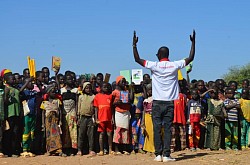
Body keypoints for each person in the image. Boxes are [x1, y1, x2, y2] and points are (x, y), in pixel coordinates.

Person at [132, 30, 195, 162]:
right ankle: (166, 155)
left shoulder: (154, 66)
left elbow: (137, 59)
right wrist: (193, 43)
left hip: (157, 103)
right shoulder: (174, 65)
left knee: (156, 129)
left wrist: (134, 45)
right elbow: (190, 58)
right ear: (168, 54)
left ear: (159, 55)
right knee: (167, 129)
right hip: (169, 103)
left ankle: (158, 154)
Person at [40, 84, 63, 156]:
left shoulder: (57, 101)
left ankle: (59, 150)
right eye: (52, 92)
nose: (54, 93)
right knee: (48, 136)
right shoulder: (44, 103)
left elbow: (60, 111)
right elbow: (43, 114)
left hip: (55, 121)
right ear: (48, 93)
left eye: (55, 92)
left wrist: (60, 120)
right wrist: (43, 124)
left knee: (57, 135)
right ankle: (49, 150)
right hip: (48, 122)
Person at [112, 76, 133, 155]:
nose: (124, 83)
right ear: (118, 83)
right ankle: (117, 149)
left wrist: (131, 88)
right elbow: (111, 104)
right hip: (118, 113)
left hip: (126, 112)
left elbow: (131, 100)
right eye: (122, 82)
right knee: (118, 130)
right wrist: (117, 103)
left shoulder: (126, 91)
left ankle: (124, 148)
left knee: (125, 131)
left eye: (125, 82)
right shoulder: (114, 92)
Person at [94, 82, 114, 156]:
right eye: (104, 87)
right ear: (100, 88)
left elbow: (111, 108)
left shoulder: (110, 96)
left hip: (108, 118)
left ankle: (110, 149)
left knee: (109, 134)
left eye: (107, 87)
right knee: (101, 134)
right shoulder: (97, 96)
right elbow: (96, 108)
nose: (106, 88)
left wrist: (112, 118)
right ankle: (101, 150)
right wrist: (96, 118)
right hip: (101, 118)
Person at [60, 73, 78, 156]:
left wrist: (77, 113)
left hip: (72, 113)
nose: (71, 80)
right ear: (65, 80)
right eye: (69, 79)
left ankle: (72, 149)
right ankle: (65, 149)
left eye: (72, 79)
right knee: (65, 132)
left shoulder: (75, 90)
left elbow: (77, 102)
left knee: (73, 131)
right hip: (64, 113)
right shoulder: (61, 90)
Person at [77, 82, 95, 156]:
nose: (88, 89)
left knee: (91, 135)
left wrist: (94, 118)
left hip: (90, 118)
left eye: (89, 88)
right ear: (84, 89)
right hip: (82, 117)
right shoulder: (81, 97)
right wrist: (78, 118)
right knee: (81, 134)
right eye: (86, 88)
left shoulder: (93, 97)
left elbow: (94, 108)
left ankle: (91, 149)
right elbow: (79, 107)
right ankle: (79, 150)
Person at [141, 83, 154, 153]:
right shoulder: (146, 100)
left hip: (154, 116)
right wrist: (143, 121)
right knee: (149, 133)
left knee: (154, 132)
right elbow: (144, 111)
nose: (150, 91)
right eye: (149, 90)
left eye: (151, 90)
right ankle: (149, 148)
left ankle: (154, 147)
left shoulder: (156, 99)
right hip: (147, 117)